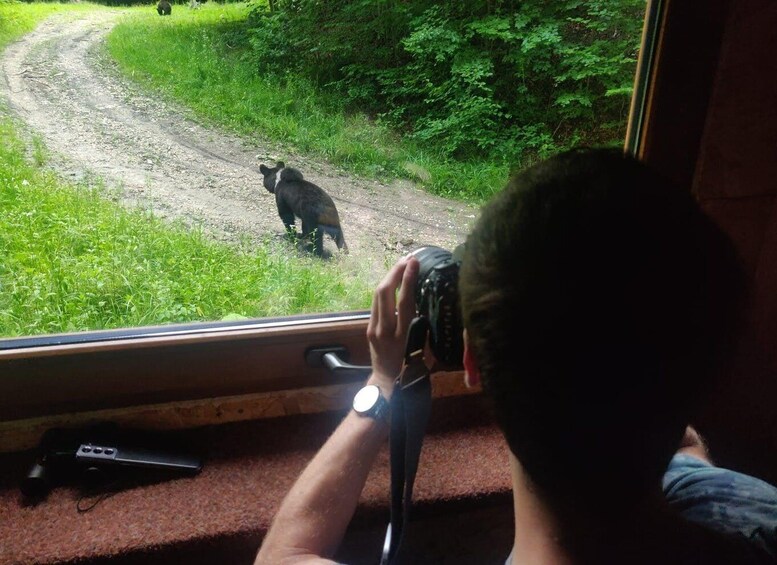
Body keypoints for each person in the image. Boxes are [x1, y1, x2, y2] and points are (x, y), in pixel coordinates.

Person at [256, 149, 777, 564]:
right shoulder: (748, 510)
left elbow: (286, 555)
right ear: (709, 372)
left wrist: (384, 382)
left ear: (471, 362)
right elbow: (684, 450)